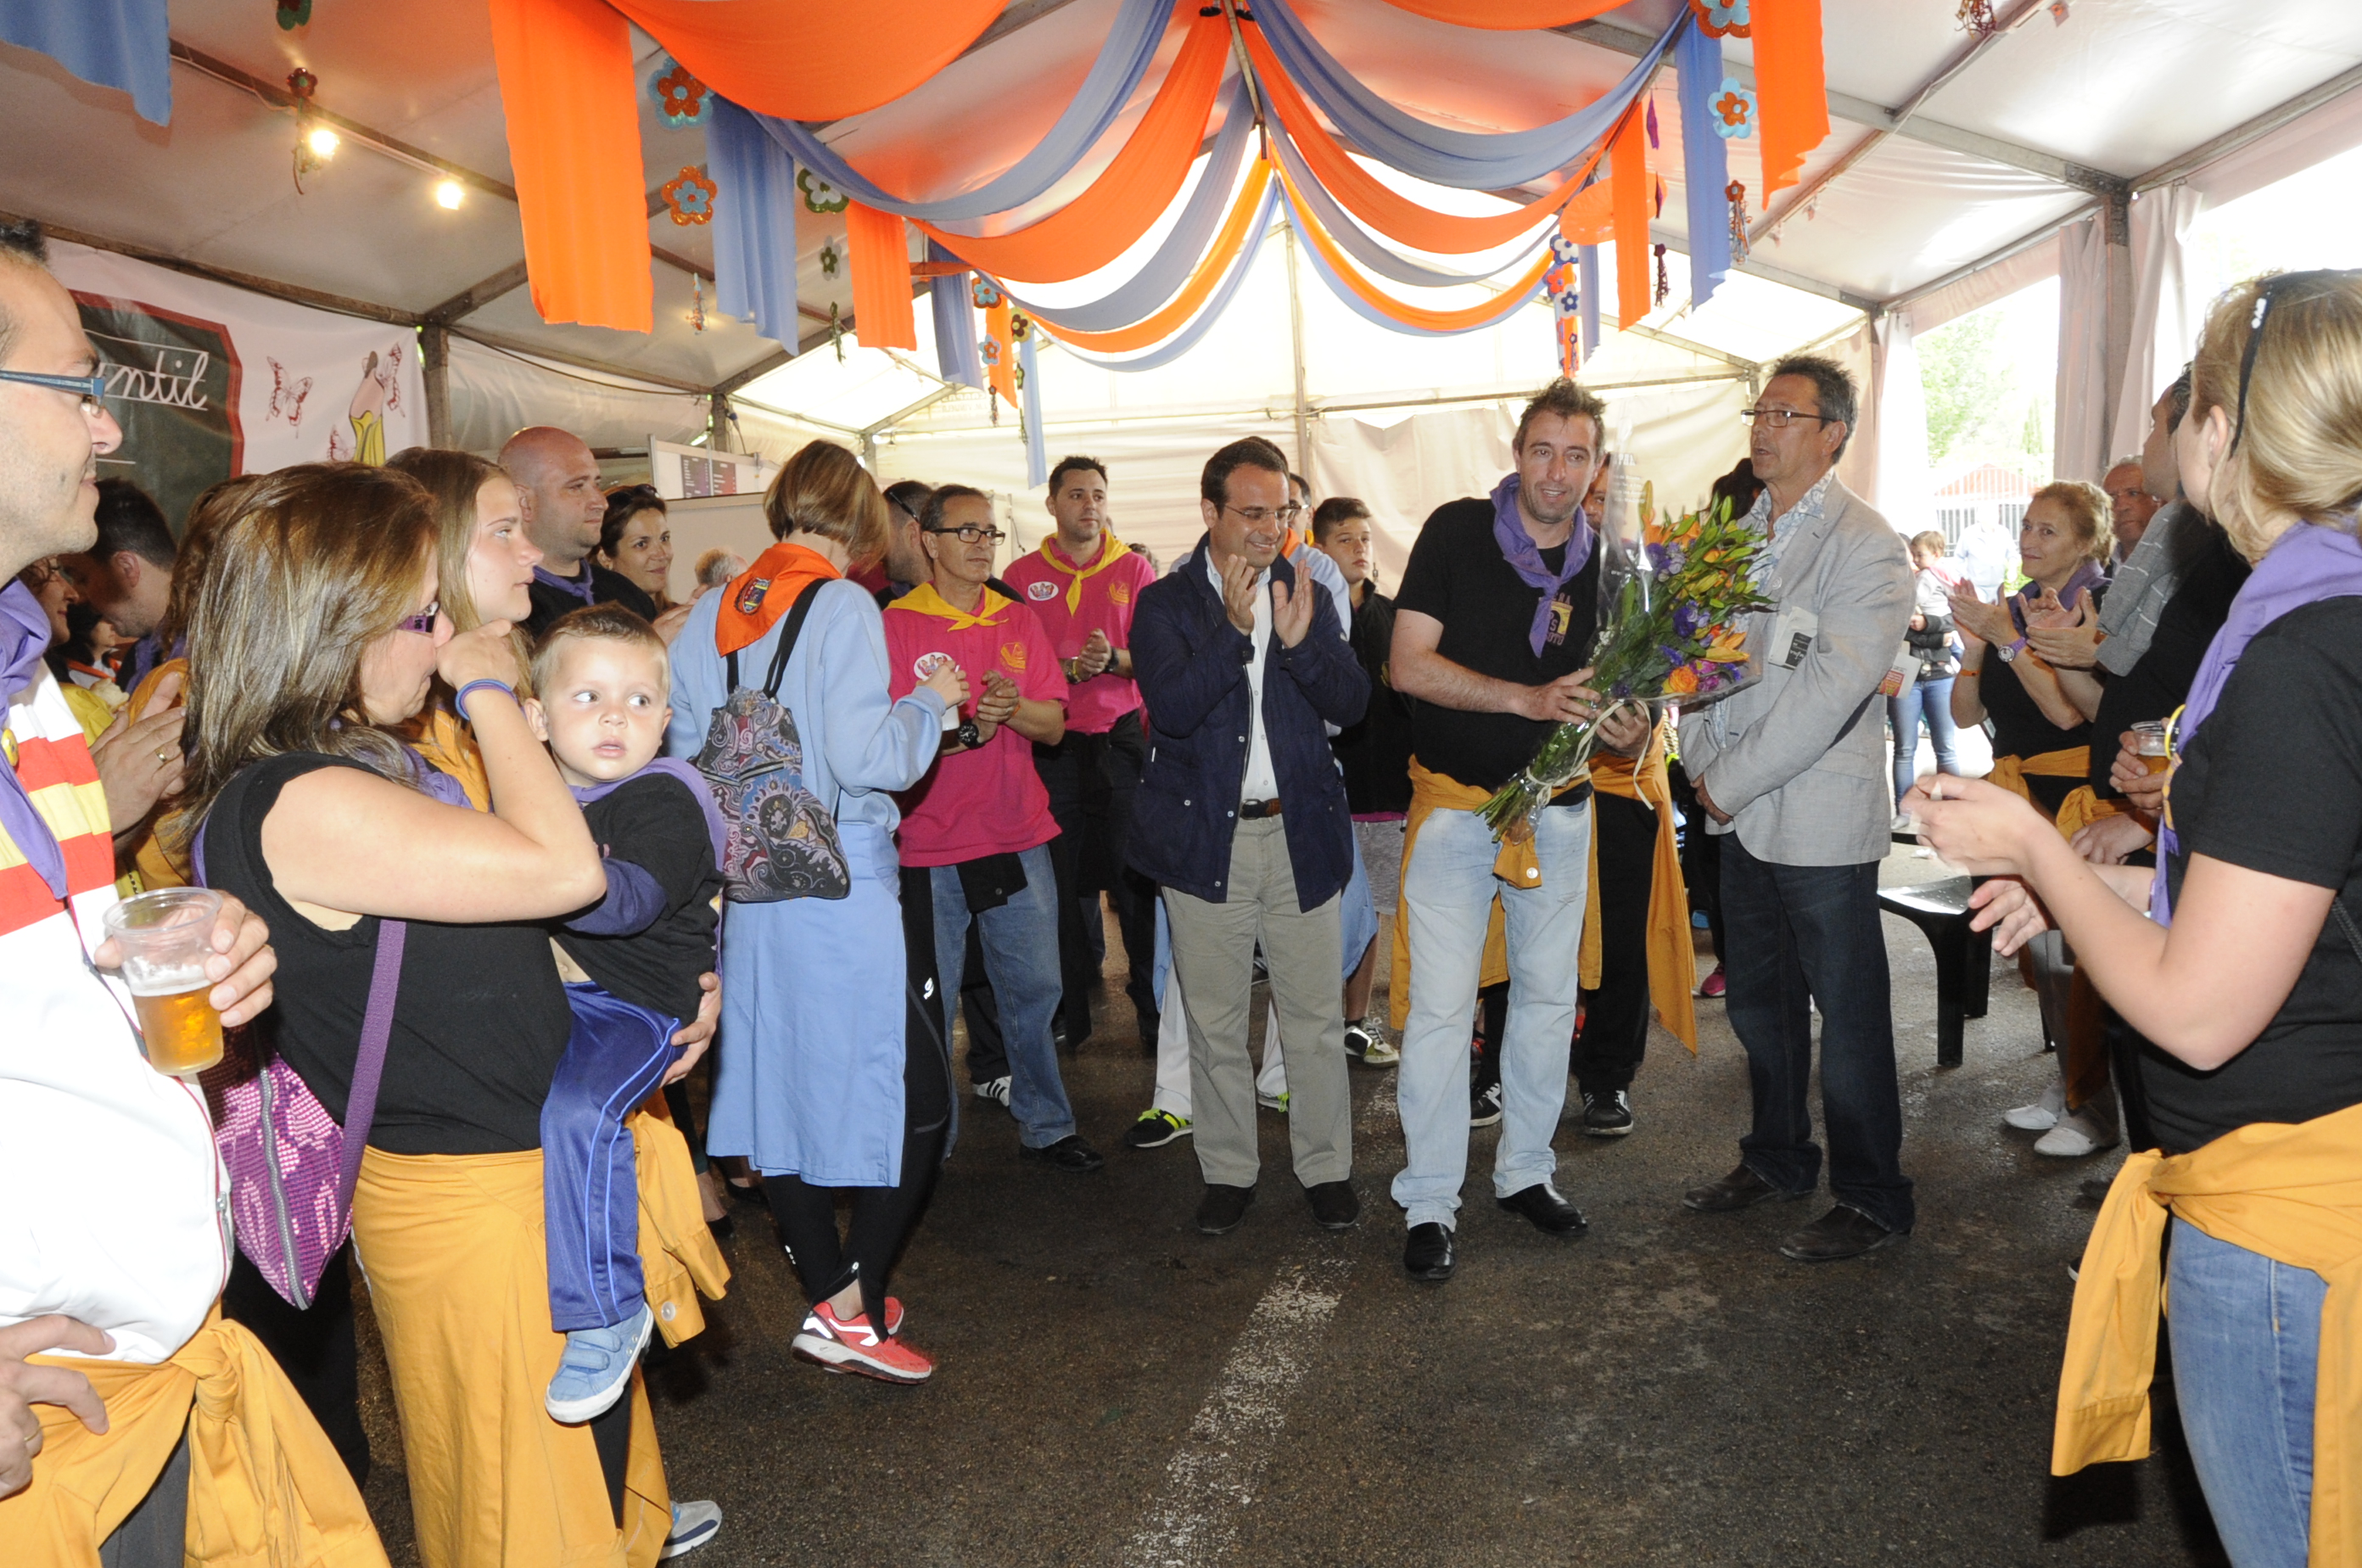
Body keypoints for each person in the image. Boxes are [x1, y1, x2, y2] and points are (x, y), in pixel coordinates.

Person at [180, 462, 725, 1563]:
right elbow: (563, 870)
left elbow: (484, 953)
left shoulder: (342, 770)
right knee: (523, 1511)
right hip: (472, 1201)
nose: (440, 642)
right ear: (340, 626)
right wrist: (489, 689)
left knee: (559, 1483)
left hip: (510, 1182)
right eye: (422, 618)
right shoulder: (305, 795)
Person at [1911, 268, 2362, 1568]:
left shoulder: (2299, 657)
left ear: (2226, 431)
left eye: (2191, 410)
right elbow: (2285, 905)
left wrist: (2030, 850)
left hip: (2284, 1217)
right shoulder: (2327, 620)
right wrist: (2084, 879)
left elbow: (2202, 1012)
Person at [0, 216, 370, 1565]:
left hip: (129, 1381)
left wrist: (176, 933)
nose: (106, 430)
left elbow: (55, 962)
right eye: (75, 388)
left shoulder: (27, 683)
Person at [667, 440, 966, 1385]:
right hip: (841, 889)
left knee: (772, 1094)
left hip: (747, 894)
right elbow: (871, 758)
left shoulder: (708, 611)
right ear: (864, 521)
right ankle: (849, 1304)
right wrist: (932, 704)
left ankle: (840, 1299)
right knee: (917, 1093)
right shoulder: (841, 604)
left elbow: (686, 759)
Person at [1386, 378, 1648, 1282]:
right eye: (1544, 451)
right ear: (1517, 454)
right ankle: (1429, 1200)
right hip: (1456, 810)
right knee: (1441, 1011)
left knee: (1546, 1003)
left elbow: (1633, 701)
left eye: (1577, 456)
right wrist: (1524, 700)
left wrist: (1630, 729)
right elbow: (1407, 666)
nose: (1558, 472)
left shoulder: (1612, 569)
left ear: (1596, 467)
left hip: (1560, 812)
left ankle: (1527, 1172)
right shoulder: (1457, 532)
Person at [1677, 355, 1916, 1263]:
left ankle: (1873, 1195)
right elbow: (1694, 660)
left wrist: (1725, 782)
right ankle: (1776, 1157)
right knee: (1760, 1005)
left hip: (1814, 815)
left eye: (1785, 414)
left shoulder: (1867, 544)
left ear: (1832, 434)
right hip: (1736, 807)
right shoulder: (1736, 532)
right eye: (1760, 411)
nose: (1764, 427)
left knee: (1847, 1017)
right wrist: (1699, 759)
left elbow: (1830, 690)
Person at [1128, 438, 1368, 1237]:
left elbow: (1354, 702)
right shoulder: (1165, 604)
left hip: (1301, 833)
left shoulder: (1308, 591)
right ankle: (1228, 1171)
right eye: (1254, 513)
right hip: (1206, 842)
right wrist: (1234, 633)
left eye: (1283, 512)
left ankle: (1326, 1169)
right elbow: (1172, 710)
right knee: (1215, 1021)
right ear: (1211, 512)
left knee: (1314, 1018)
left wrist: (1298, 646)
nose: (1272, 529)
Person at [882, 484, 1100, 1173]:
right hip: (930, 842)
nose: (982, 544)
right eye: (966, 531)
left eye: (989, 532)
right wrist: (973, 727)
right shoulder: (895, 626)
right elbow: (889, 742)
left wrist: (1011, 711)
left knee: (1035, 990)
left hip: (1017, 833)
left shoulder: (1016, 618)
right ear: (928, 540)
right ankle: (930, 1141)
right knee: (933, 1000)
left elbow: (1054, 724)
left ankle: (1047, 1124)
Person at [1949, 481, 2119, 1158]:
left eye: (2048, 531)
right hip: (2021, 796)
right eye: (2027, 526)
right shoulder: (2014, 606)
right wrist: (1975, 647)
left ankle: (2095, 1106)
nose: (2029, 540)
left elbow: (2067, 714)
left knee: (2083, 957)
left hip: (2080, 796)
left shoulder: (2098, 605)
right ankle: (2069, 1082)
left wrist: (2010, 641)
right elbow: (1966, 716)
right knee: (2044, 956)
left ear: (2087, 541)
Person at [1003, 456, 1161, 1047]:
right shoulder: (1020, 575)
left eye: (1097, 494)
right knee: (1058, 887)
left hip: (1118, 741)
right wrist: (1065, 670)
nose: (1089, 505)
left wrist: (1114, 659)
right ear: (1051, 505)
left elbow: (1158, 660)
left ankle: (1153, 1013)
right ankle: (1069, 1015)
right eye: (1076, 494)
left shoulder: (1134, 569)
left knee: (1135, 883)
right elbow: (1008, 661)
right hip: (1052, 746)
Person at [1313, 496, 1408, 1067]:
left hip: (1393, 793)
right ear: (1319, 549)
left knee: (1374, 917)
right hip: (1331, 797)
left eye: (1365, 539)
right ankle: (1317, 1024)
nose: (1360, 549)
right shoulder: (1305, 617)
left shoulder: (1395, 616)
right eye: (1345, 539)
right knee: (1326, 918)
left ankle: (1356, 1021)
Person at [502, 426, 658, 635]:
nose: (601, 503)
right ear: (524, 502)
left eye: (596, 484)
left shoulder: (627, 595)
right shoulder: (508, 611)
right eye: (576, 487)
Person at [1890, 529, 1963, 816]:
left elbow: (1952, 622)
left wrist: (1928, 626)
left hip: (1939, 673)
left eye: (1914, 555)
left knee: (1946, 747)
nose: (1912, 560)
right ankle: (1903, 812)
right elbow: (1891, 630)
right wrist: (1936, 636)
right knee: (1903, 749)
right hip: (1901, 673)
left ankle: (1954, 812)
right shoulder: (1890, 587)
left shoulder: (1933, 577)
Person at [78, 479, 174, 694]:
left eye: (82, 578)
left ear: (126, 568)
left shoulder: (219, 655)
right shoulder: (138, 660)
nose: (78, 596)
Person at [596, 484, 675, 613]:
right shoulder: (594, 624)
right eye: (641, 544)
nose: (662, 554)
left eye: (664, 539)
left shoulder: (684, 617)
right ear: (605, 558)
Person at [2102, 457, 2160, 559]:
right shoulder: (2094, 563)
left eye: (2133, 493)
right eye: (2112, 499)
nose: (2122, 507)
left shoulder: (2180, 560)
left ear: (2159, 499)